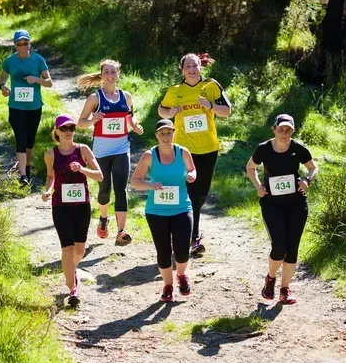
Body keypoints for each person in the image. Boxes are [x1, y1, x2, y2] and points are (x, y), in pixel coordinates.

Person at [158, 53, 231, 255]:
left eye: (195, 65)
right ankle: (193, 237)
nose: (191, 69)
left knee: (202, 193)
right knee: (191, 192)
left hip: (208, 147)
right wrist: (169, 113)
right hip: (184, 149)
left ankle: (187, 229)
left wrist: (210, 106)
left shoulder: (211, 86)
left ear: (201, 67)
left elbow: (227, 111)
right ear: (182, 69)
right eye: (187, 66)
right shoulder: (175, 90)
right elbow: (161, 110)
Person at [245, 114, 319, 305]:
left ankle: (285, 289)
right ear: (274, 129)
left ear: (292, 131)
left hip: (296, 203)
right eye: (281, 129)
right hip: (272, 204)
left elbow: (313, 168)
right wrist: (258, 187)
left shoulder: (298, 148)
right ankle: (270, 278)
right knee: (279, 246)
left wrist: (306, 180)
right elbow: (250, 167)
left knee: (292, 248)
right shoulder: (263, 149)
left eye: (288, 130)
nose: (284, 133)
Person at [77, 59, 144, 245]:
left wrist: (135, 126)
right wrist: (92, 120)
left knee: (121, 189)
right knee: (105, 189)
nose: (110, 75)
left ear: (118, 74)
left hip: (122, 148)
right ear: (102, 75)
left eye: (113, 72)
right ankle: (104, 218)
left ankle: (121, 231)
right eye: (106, 71)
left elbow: (130, 116)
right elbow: (80, 123)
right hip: (101, 150)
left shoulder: (126, 96)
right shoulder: (95, 98)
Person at [131, 119, 197, 302]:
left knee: (183, 249)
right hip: (156, 211)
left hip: (182, 207)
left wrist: (192, 175)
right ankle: (167, 286)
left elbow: (193, 170)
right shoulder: (149, 156)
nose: (166, 137)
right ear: (156, 135)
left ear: (174, 133)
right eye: (162, 133)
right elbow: (135, 181)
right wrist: (151, 185)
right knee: (163, 250)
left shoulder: (183, 152)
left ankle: (182, 275)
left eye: (169, 133)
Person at [42, 114, 103, 306]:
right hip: (60, 206)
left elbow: (100, 176)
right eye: (64, 129)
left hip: (81, 206)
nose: (68, 132)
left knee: (80, 249)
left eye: (71, 129)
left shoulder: (83, 150)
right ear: (57, 131)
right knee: (67, 249)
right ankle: (73, 289)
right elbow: (51, 176)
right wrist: (47, 191)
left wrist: (83, 170)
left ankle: (71, 270)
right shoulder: (50, 154)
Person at [0, 29, 54, 185]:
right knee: (20, 139)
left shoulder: (38, 60)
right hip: (16, 106)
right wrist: (2, 87)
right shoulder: (10, 61)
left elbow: (49, 82)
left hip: (34, 106)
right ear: (15, 45)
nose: (22, 46)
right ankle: (23, 175)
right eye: (19, 44)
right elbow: (3, 76)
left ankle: (27, 166)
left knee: (30, 141)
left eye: (25, 43)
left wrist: (36, 79)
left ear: (29, 43)